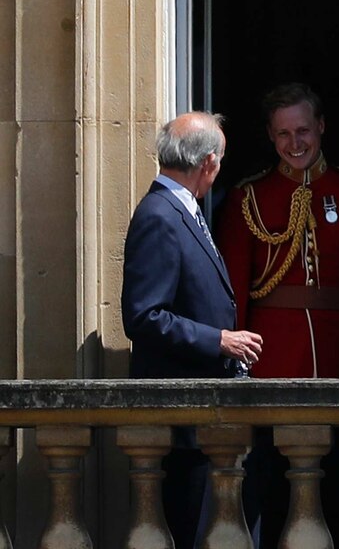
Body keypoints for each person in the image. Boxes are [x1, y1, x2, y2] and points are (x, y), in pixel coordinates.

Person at [215, 83, 339, 548]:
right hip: (271, 367)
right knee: (273, 495)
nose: (295, 143)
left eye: (303, 130)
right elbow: (233, 293)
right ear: (270, 136)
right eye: (283, 134)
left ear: (321, 127)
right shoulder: (247, 200)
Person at [121, 111, 264, 549]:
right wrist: (218, 340)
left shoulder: (183, 209)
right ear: (208, 163)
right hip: (183, 422)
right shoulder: (160, 215)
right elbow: (143, 317)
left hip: (206, 419)